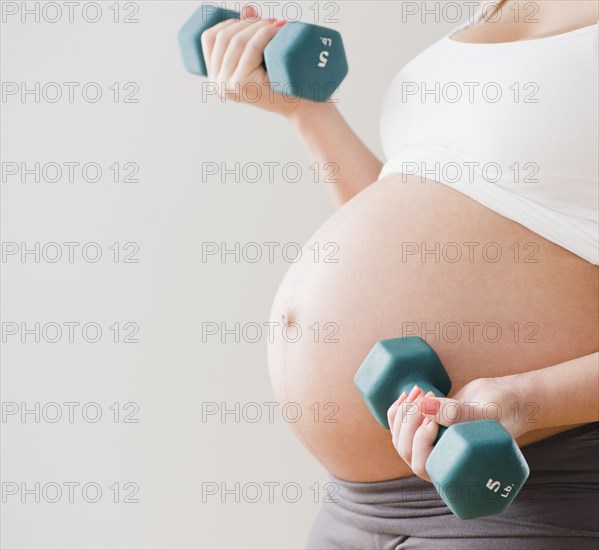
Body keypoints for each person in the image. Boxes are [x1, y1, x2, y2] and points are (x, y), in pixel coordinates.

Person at [201, 1, 599, 547]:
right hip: (353, 506)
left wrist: (525, 398)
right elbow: (415, 232)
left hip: (522, 487)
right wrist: (306, 112)